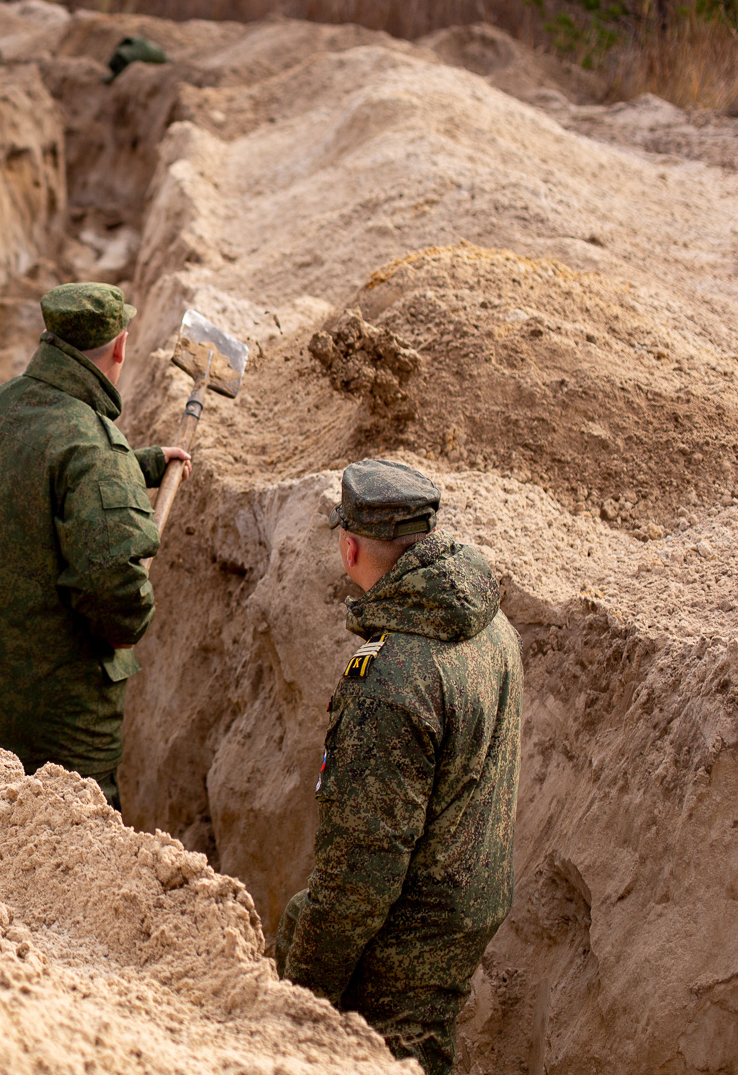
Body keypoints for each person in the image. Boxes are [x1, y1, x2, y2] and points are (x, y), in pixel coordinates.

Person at [273, 459, 522, 1075]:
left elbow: (360, 875)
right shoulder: (491, 626)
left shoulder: (389, 681)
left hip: (402, 941)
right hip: (464, 907)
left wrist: (298, 994)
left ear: (350, 547)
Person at [0, 283, 191, 809]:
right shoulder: (90, 445)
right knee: (84, 825)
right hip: (53, 717)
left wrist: (136, 466)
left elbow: (40, 475)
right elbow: (118, 606)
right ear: (119, 349)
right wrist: (133, 615)